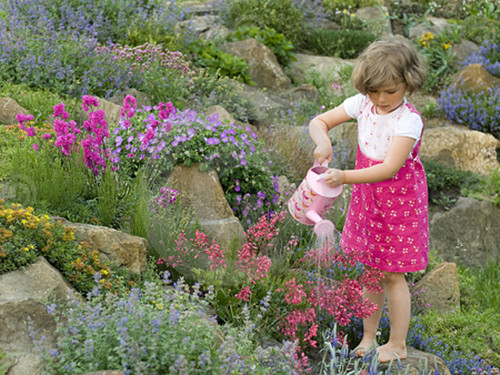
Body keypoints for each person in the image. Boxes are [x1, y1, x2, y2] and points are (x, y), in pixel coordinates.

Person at [309, 39, 429, 362]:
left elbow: (389, 168)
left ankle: (398, 344)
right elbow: (318, 122)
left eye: (390, 91)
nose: (380, 99)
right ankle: (368, 336)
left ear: (409, 82)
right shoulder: (363, 104)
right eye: (374, 91)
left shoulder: (408, 121)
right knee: (371, 271)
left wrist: (344, 176)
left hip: (399, 205)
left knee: (393, 274)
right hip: (368, 202)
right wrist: (323, 143)